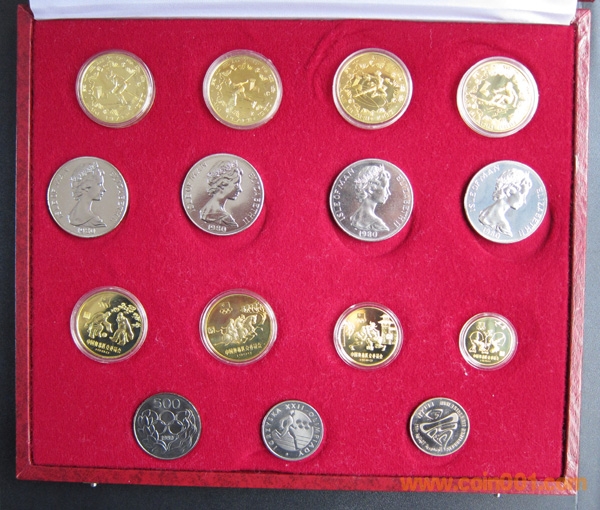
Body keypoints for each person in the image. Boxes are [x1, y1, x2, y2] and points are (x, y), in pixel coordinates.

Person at [478, 167, 532, 237]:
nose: (524, 201)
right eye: (523, 195)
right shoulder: (503, 226)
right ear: (510, 190)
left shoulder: (483, 213)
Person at [199, 160, 243, 228]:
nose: (240, 189)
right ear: (223, 184)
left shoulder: (203, 211)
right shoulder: (226, 219)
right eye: (236, 184)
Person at [349, 164, 391, 232]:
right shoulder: (377, 224)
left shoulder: (353, 218)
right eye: (385, 188)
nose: (389, 193)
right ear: (371, 188)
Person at [67, 161, 107, 228]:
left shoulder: (71, 216)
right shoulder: (95, 222)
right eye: (99, 184)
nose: (104, 189)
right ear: (86, 187)